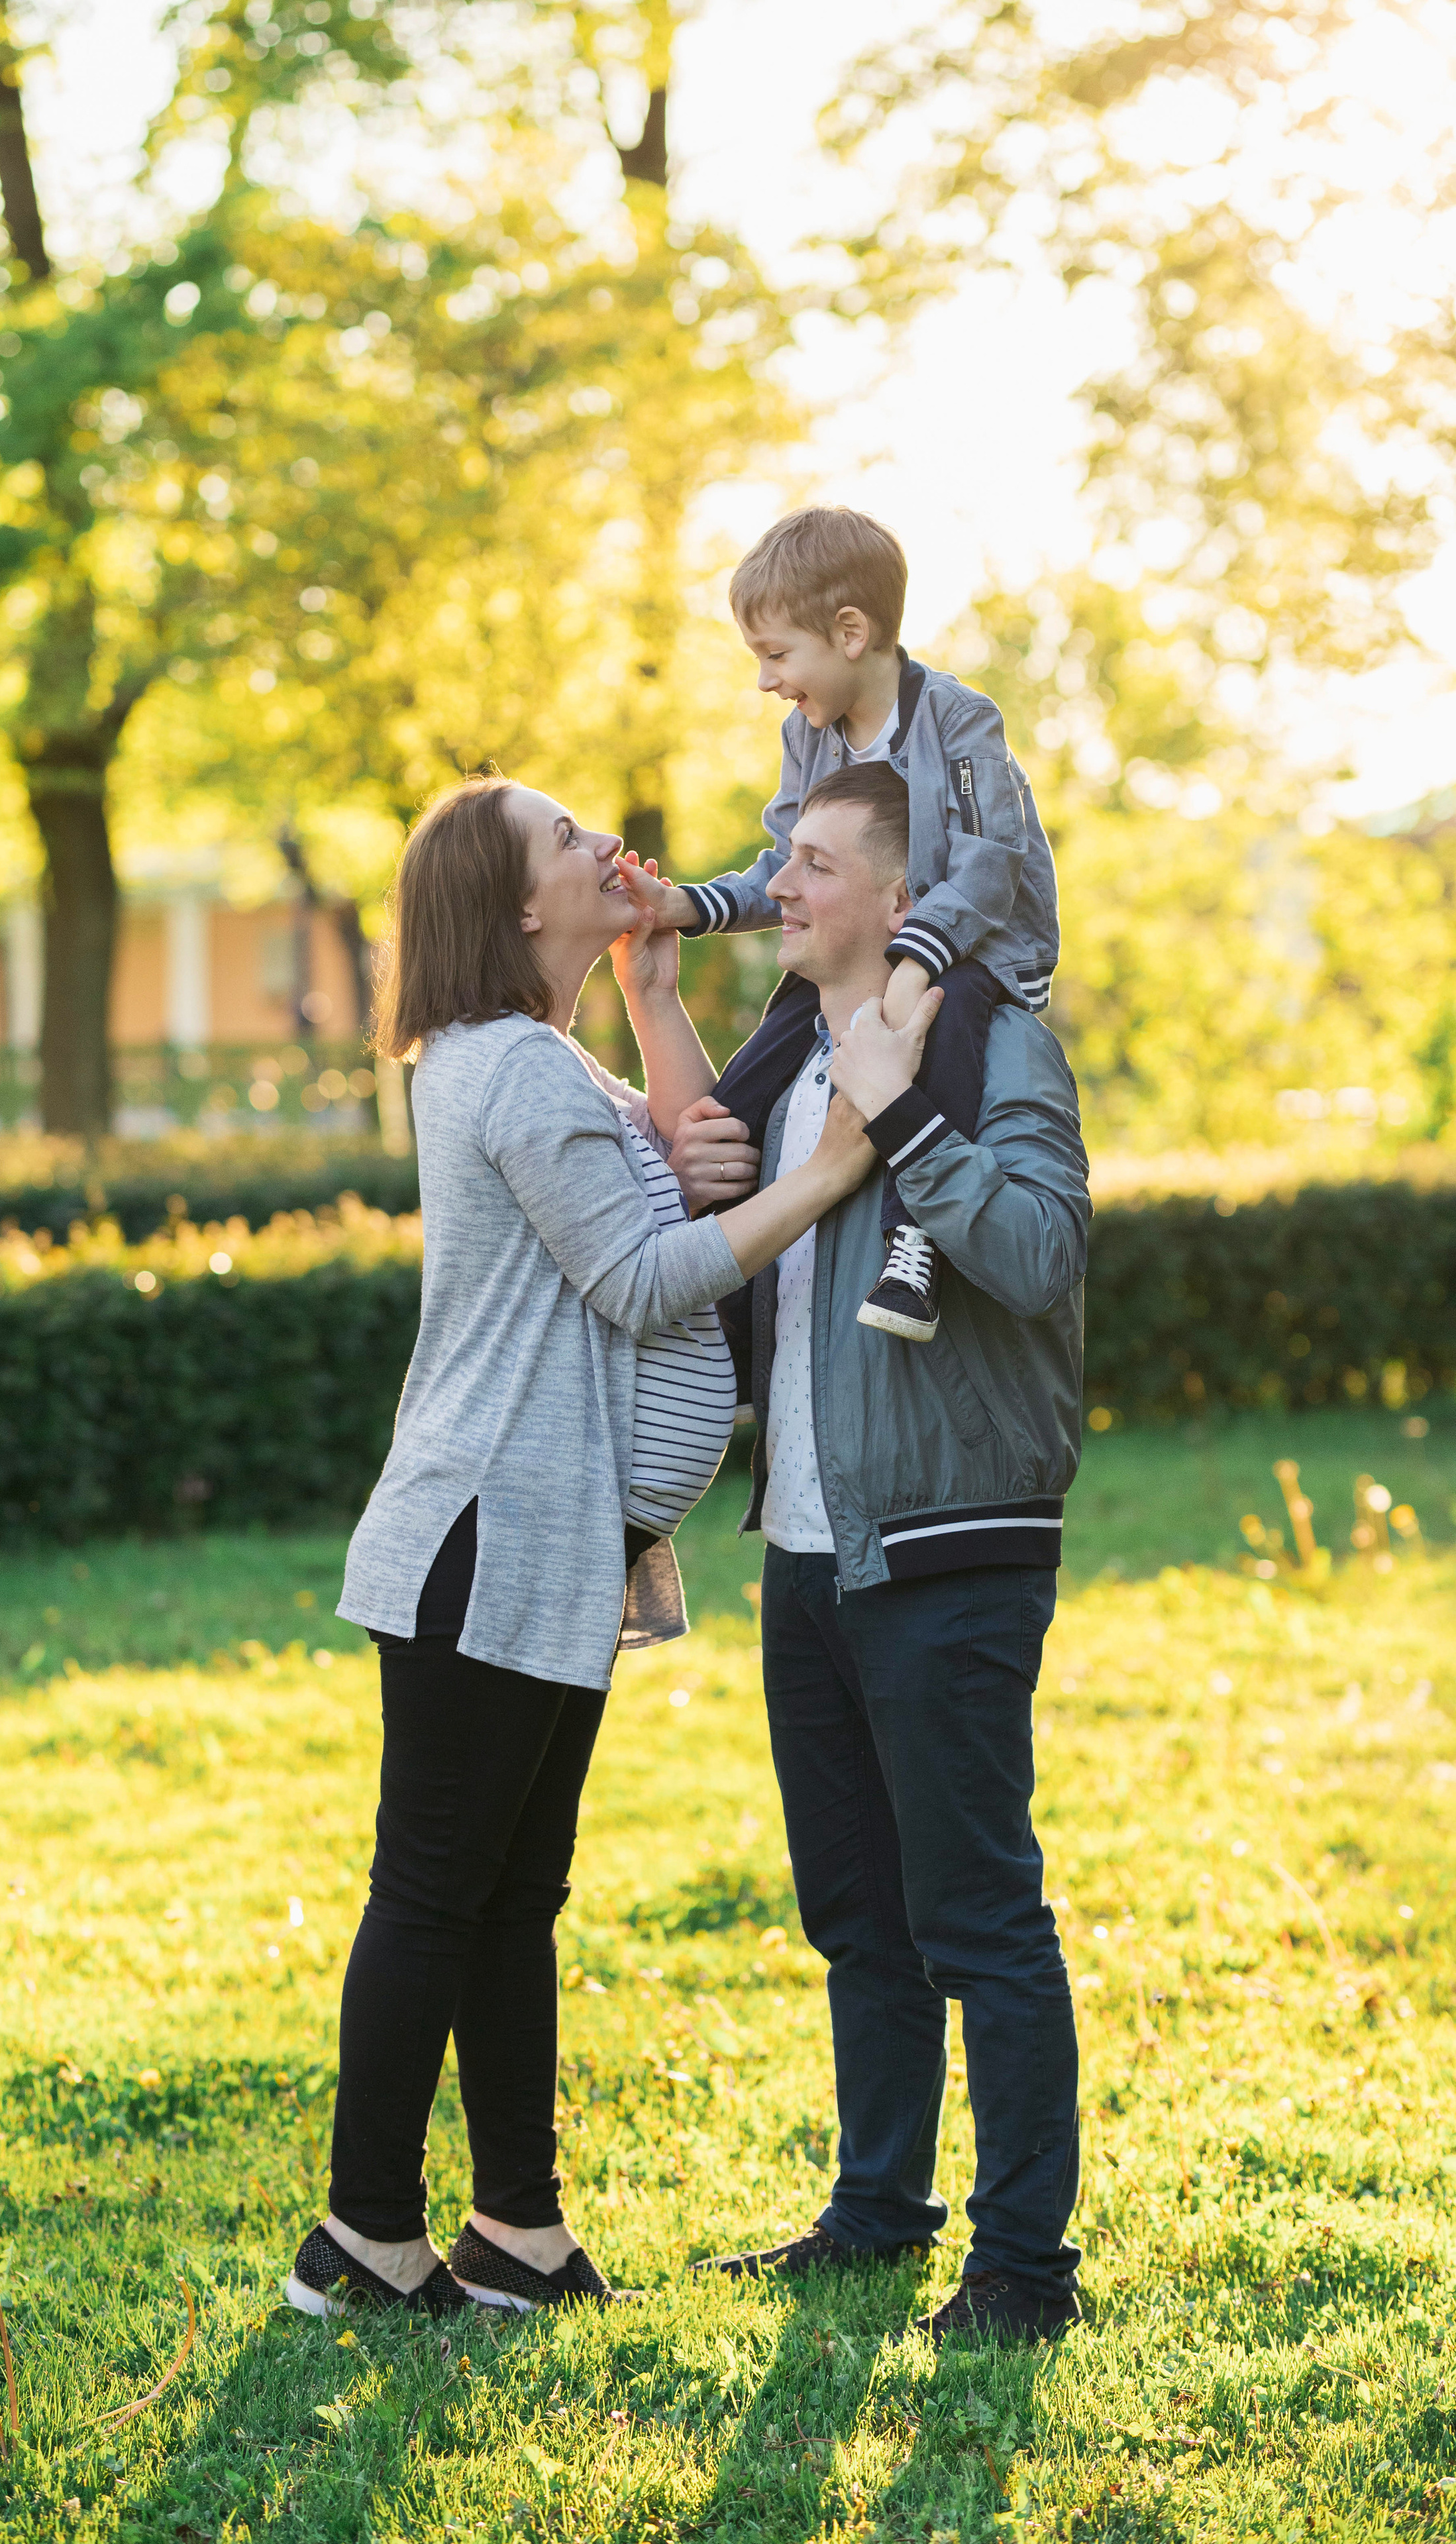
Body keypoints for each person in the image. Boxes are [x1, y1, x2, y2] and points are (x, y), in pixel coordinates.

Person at [286, 776, 884, 2322]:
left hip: (549, 1543)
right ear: (513, 905)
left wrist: (650, 985)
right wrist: (832, 1171)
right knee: (434, 1887)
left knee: (507, 1891)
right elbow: (642, 1277)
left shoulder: (545, 1063)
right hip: (488, 1541)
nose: (601, 848)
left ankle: (518, 2230)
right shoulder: (513, 1073)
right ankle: (360, 2235)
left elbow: (694, 1158)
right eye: (565, 841)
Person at [665, 761, 1089, 2349]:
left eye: (815, 865)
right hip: (806, 1549)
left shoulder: (995, 1052)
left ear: (899, 904)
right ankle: (875, 2209)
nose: (780, 886)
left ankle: (1023, 2269)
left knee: (977, 1915)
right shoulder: (784, 1065)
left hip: (949, 1542)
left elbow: (1040, 1252)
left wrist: (905, 1112)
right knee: (855, 1908)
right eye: (784, 860)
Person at [616, 504, 1058, 1349]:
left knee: (943, 1024)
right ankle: (717, 1257)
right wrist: (688, 907)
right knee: (752, 1078)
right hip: (870, 959)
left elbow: (989, 861)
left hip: (978, 948)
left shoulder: (958, 721)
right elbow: (785, 859)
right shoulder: (808, 735)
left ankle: (913, 1242)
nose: (766, 681)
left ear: (849, 632)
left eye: (776, 655)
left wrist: (915, 960)